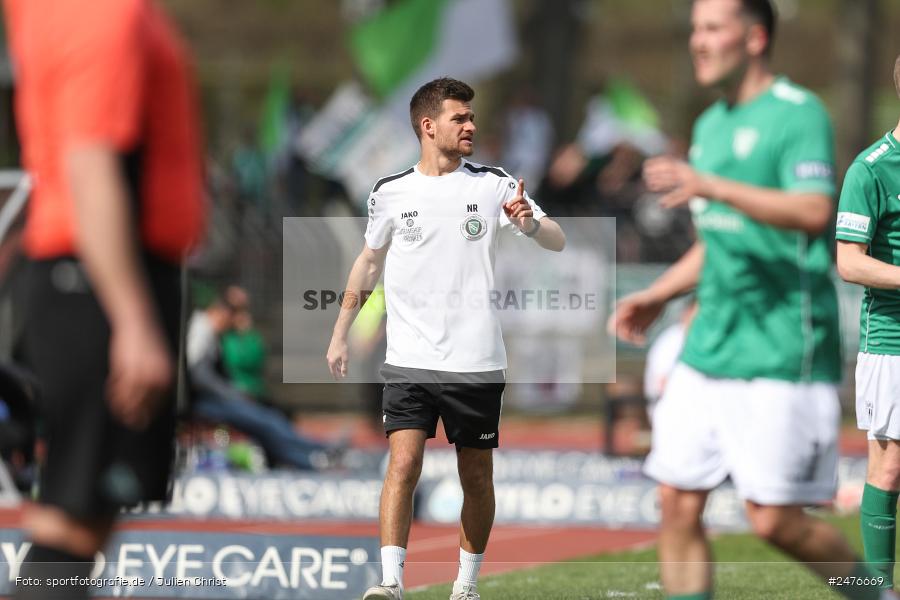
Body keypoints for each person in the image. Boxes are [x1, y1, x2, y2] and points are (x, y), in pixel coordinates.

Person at [608, 1, 893, 599]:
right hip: (709, 347)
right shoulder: (711, 126)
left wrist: (710, 184)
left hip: (781, 351)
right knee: (677, 503)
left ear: (756, 37)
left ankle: (873, 594)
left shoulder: (798, 115)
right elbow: (722, 240)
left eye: (713, 29)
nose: (699, 43)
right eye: (694, 30)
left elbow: (813, 212)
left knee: (775, 522)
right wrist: (660, 294)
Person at [326, 77, 565, 600]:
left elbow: (557, 238)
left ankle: (466, 585)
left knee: (475, 476)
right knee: (403, 463)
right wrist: (341, 330)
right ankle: (390, 582)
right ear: (428, 126)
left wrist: (527, 224)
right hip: (409, 359)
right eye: (460, 118)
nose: (472, 126)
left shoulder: (494, 184)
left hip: (476, 361)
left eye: (472, 117)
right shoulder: (390, 192)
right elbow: (368, 263)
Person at [3, 0, 206, 598]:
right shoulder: (96, 13)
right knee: (72, 518)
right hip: (99, 278)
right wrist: (133, 319)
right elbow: (90, 162)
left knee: (82, 520)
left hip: (100, 274)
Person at [835, 54, 900, 591]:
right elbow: (850, 260)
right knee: (890, 470)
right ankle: (878, 587)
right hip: (893, 342)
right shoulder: (872, 168)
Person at [187, 299, 338, 471]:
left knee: (268, 418)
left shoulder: (209, 333)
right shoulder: (201, 330)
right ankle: (313, 455)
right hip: (203, 402)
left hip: (214, 398)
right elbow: (198, 376)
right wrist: (231, 394)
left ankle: (313, 452)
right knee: (263, 422)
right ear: (219, 313)